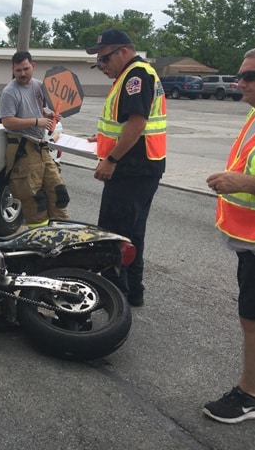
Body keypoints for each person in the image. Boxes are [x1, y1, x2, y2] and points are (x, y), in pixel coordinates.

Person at [86, 28, 166, 307]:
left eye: (104, 59)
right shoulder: (134, 74)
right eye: (98, 62)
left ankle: (113, 299)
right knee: (133, 233)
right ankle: (133, 291)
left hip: (131, 169)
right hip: (143, 166)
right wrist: (103, 140)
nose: (101, 66)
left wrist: (111, 159)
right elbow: (127, 125)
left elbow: (137, 123)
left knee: (113, 236)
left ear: (123, 51)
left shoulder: (135, 75)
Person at [203, 48, 255, 424]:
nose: (239, 82)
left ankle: (249, 396)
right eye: (240, 75)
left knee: (253, 321)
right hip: (251, 242)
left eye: (249, 76)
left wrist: (242, 182)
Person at [0, 50, 69, 228]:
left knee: (58, 192)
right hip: (23, 148)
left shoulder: (39, 86)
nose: (22, 74)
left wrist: (50, 115)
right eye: (18, 70)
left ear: (33, 66)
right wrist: (37, 121)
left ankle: (60, 234)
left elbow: (38, 109)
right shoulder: (9, 92)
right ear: (12, 70)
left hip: (40, 146)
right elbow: (7, 121)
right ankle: (39, 241)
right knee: (34, 199)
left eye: (26, 69)